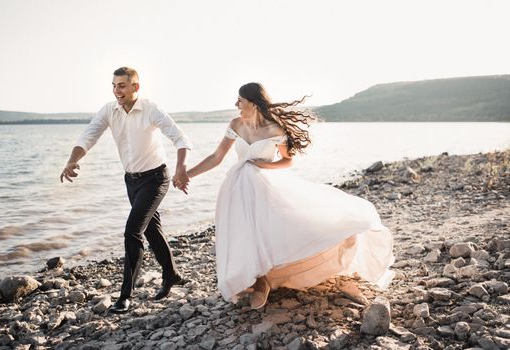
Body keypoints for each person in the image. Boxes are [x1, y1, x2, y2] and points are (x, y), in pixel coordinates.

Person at [186, 82, 394, 309]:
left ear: (253, 103)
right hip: (236, 186)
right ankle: (257, 279)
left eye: (240, 100)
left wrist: (265, 167)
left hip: (263, 184)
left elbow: (287, 160)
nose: (236, 104)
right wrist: (188, 174)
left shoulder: (275, 129)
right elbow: (217, 156)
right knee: (243, 232)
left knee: (272, 230)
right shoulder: (236, 124)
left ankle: (264, 279)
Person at [60, 67, 192, 313]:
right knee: (152, 230)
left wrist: (181, 169)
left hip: (156, 178)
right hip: (131, 181)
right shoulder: (109, 110)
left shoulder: (151, 108)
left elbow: (180, 138)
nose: (116, 90)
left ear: (135, 87)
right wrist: (72, 160)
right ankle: (171, 273)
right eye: (113, 85)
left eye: (121, 85)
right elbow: (88, 136)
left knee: (132, 231)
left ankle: (125, 295)